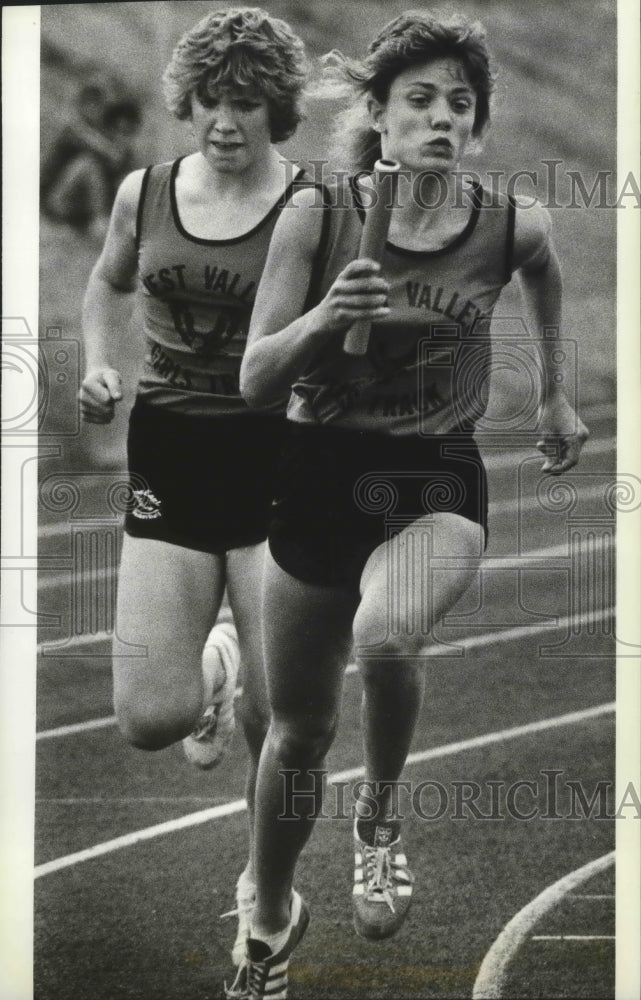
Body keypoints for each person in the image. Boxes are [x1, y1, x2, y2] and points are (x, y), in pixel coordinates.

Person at [234, 9, 589, 997]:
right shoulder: (318, 213)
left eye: (458, 104)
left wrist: (553, 390)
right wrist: (322, 319)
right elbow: (256, 380)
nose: (441, 118)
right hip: (315, 471)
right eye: (419, 101)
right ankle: (263, 917)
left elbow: (542, 271)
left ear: (473, 125)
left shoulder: (507, 221)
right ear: (380, 118)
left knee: (387, 637)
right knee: (298, 732)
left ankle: (379, 817)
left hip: (434, 475)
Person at [77, 7, 309, 987]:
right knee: (147, 717)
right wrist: (96, 362)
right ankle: (208, 672)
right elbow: (105, 283)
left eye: (246, 101)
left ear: (275, 109)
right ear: (190, 99)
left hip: (275, 466)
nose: (225, 117)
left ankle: (266, 907)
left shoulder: (310, 205)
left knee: (287, 719)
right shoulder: (146, 191)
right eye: (211, 97)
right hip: (170, 455)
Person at [41, 75, 141, 241]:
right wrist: (118, 152)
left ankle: (127, 223)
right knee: (88, 164)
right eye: (91, 103)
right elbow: (109, 152)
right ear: (81, 105)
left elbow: (121, 162)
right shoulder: (74, 128)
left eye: (99, 104)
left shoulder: (102, 133)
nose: (96, 109)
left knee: (126, 175)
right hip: (57, 201)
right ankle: (99, 221)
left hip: (79, 205)